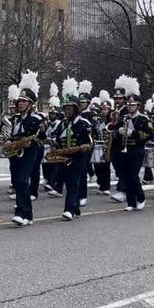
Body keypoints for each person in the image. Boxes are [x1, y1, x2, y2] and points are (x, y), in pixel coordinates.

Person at [52, 79, 93, 220]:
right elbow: (55, 138)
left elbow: (90, 142)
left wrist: (84, 148)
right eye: (65, 108)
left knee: (74, 181)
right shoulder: (62, 124)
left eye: (69, 107)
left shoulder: (84, 123)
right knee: (67, 182)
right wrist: (54, 145)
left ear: (76, 109)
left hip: (78, 157)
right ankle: (75, 208)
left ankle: (69, 209)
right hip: (63, 157)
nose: (67, 110)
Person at [8, 71, 44, 226]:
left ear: (31, 104)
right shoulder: (14, 118)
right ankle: (27, 215)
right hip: (15, 152)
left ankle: (21, 213)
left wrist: (39, 133)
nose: (20, 103)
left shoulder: (36, 119)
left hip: (30, 152)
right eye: (20, 101)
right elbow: (9, 134)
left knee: (23, 180)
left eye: (24, 101)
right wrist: (8, 142)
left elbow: (42, 136)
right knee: (18, 182)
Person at [120, 87, 152, 211]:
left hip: (137, 150)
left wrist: (133, 133)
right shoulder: (124, 118)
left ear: (138, 106)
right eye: (129, 104)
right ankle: (130, 202)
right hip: (124, 149)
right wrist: (119, 131)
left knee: (133, 175)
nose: (130, 106)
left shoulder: (143, 118)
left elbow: (148, 134)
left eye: (133, 105)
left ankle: (140, 197)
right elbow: (116, 130)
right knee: (125, 176)